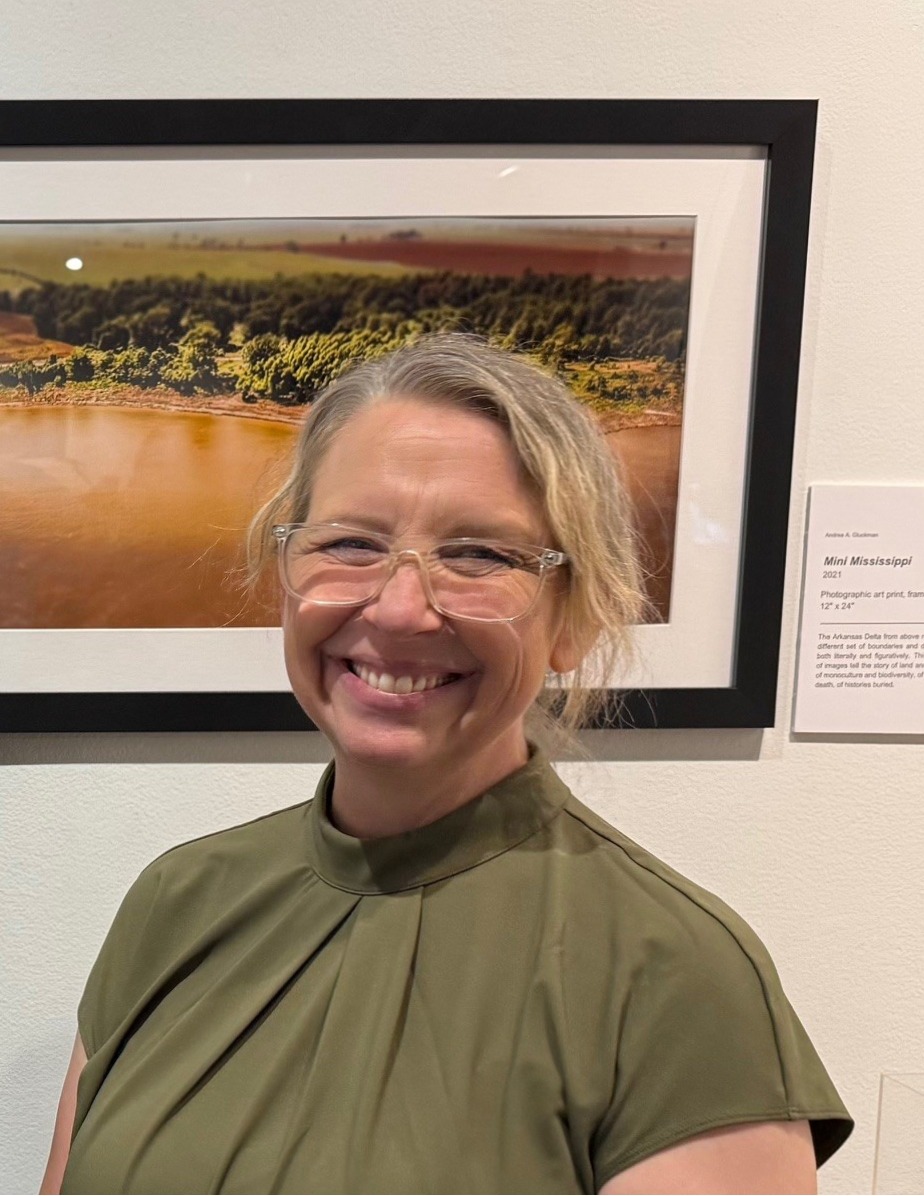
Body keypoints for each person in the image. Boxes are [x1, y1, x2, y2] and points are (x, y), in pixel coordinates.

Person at [42, 334, 853, 1194]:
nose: (399, 609)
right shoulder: (175, 902)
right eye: (350, 543)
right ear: (286, 575)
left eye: (480, 556)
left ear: (573, 620)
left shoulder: (678, 978)